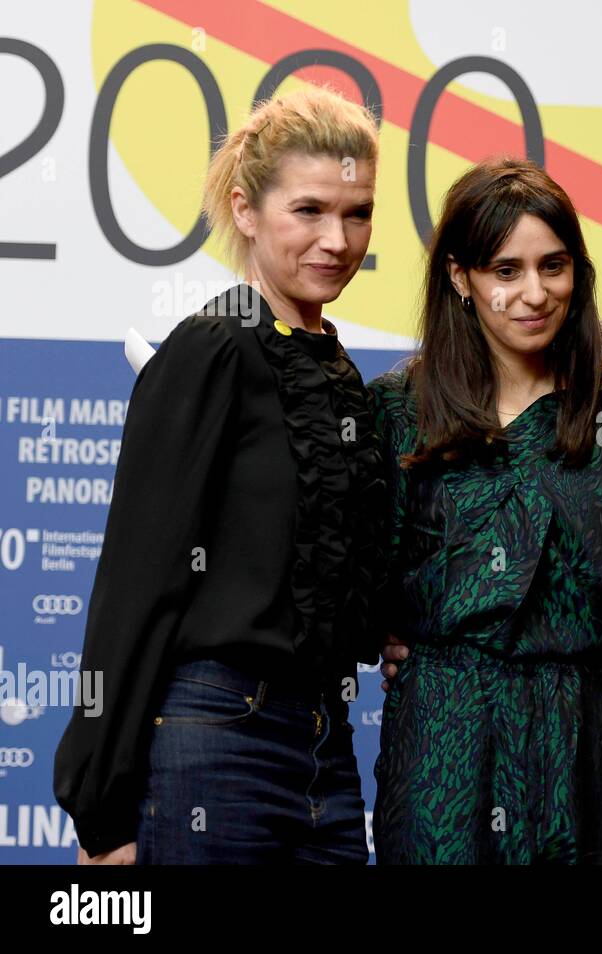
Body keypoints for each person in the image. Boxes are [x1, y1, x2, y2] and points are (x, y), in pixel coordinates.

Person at [54, 86, 387, 864]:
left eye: (358, 212)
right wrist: (103, 813)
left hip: (327, 751)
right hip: (215, 739)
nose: (337, 239)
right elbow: (136, 585)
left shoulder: (335, 371)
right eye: (308, 210)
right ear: (245, 210)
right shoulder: (211, 349)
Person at [368, 157, 602, 865]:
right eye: (506, 270)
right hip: (443, 744)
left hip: (582, 744)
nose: (534, 293)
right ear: (461, 278)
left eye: (554, 266)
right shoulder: (398, 412)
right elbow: (364, 576)